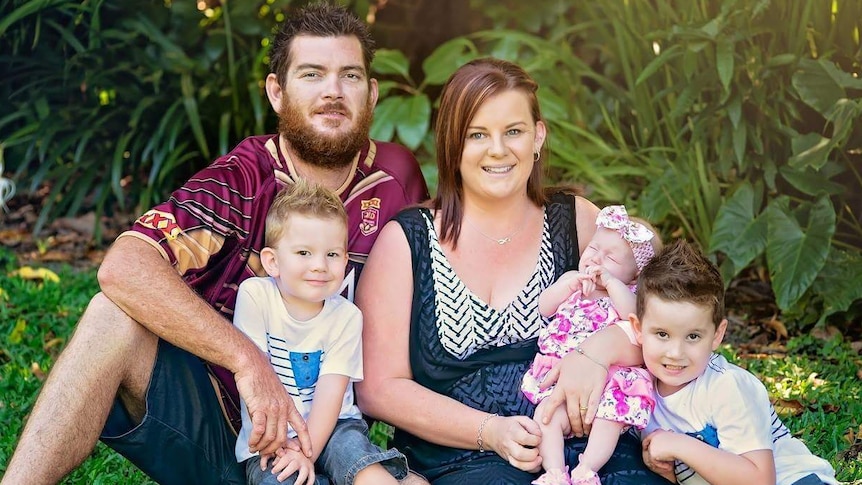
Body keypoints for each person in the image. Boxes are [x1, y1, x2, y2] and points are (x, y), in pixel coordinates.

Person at [2, 3, 428, 485]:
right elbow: (124, 266)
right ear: (277, 91)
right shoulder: (241, 178)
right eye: (312, 74)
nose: (333, 91)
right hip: (224, 425)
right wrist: (247, 361)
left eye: (349, 76)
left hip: (334, 436)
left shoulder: (398, 178)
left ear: (371, 94)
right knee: (109, 315)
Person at [354, 57, 670, 484]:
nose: (498, 150)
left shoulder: (577, 222)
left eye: (514, 132)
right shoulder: (406, 240)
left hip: (588, 449)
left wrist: (600, 351)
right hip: (459, 457)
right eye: (477, 134)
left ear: (538, 136)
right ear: (451, 144)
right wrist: (491, 433)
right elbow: (378, 388)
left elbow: (662, 330)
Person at [234, 181, 407, 485]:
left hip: (335, 425)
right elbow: (256, 380)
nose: (319, 266)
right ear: (272, 262)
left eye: (332, 254)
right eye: (304, 252)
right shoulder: (255, 297)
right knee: (279, 478)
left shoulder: (346, 316)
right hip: (272, 435)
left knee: (357, 460)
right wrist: (289, 448)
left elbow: (330, 395)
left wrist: (306, 451)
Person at [632, 240, 838, 485]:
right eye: (662, 334)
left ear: (717, 335)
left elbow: (760, 481)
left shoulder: (727, 387)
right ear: (638, 329)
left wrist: (677, 445)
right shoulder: (637, 391)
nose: (676, 353)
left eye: (693, 336)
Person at [523, 205, 661, 485]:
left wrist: (610, 284)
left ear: (634, 277)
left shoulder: (628, 293)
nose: (596, 260)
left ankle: (588, 467)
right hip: (563, 375)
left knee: (609, 421)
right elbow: (544, 306)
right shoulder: (571, 280)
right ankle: (554, 472)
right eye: (593, 249)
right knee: (546, 416)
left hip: (611, 382)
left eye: (610, 258)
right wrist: (570, 285)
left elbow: (634, 316)